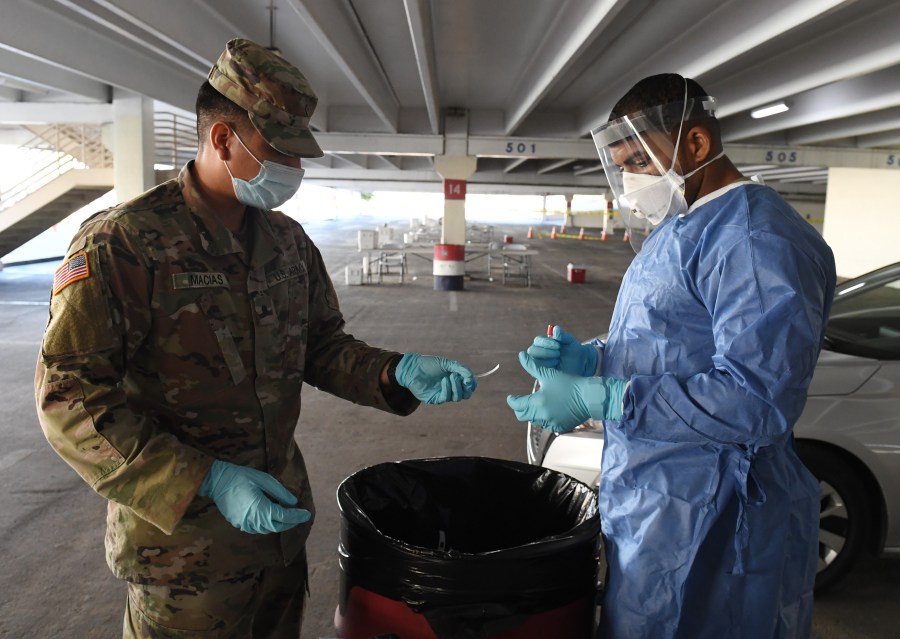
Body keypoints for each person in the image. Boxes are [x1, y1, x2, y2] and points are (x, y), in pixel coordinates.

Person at [34, 38, 476, 638]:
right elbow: (71, 400)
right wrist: (206, 478)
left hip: (277, 534)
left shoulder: (288, 243)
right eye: (281, 150)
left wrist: (392, 372)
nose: (294, 168)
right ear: (223, 139)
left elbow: (320, 345)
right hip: (183, 557)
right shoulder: (124, 244)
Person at [507, 73, 836, 638]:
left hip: (719, 516)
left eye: (639, 160)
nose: (630, 179)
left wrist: (609, 397)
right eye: (621, 164)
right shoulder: (682, 226)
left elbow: (757, 397)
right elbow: (669, 342)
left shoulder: (756, 240)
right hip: (659, 504)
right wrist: (594, 361)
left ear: (697, 145)